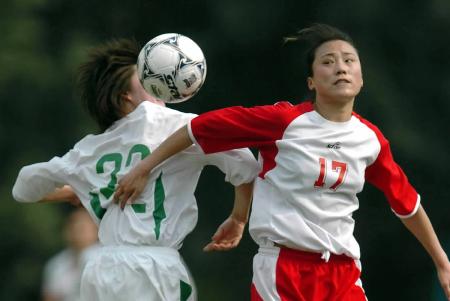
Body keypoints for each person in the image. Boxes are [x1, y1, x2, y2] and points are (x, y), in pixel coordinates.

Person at [114, 24, 450, 301]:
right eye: (328, 61)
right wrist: (144, 168)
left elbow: (406, 204)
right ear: (311, 82)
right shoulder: (282, 122)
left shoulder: (371, 140)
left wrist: (442, 262)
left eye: (349, 60)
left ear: (361, 78)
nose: (341, 67)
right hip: (284, 271)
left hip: (344, 273)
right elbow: (196, 129)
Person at [12, 38, 259, 301]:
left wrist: (77, 190)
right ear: (125, 96)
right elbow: (244, 163)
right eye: (144, 76)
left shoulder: (88, 149)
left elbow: (23, 189)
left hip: (99, 269)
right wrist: (238, 217)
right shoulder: (181, 127)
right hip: (152, 268)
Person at [42, 207, 98, 301]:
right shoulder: (56, 264)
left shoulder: (106, 259)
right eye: (73, 227)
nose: (77, 232)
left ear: (96, 230)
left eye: (82, 228)